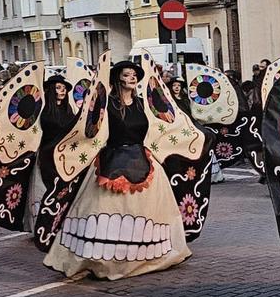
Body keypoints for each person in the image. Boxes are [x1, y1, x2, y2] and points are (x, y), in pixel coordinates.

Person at [43, 60, 195, 279]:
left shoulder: (143, 104)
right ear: (117, 78)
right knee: (103, 212)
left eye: (134, 75)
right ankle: (103, 259)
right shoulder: (107, 105)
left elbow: (162, 126)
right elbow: (88, 129)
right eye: (127, 74)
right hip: (111, 161)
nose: (132, 78)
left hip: (143, 160)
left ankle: (147, 255)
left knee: (148, 213)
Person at [25, 75, 78, 232]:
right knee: (47, 188)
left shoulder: (69, 109)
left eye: (64, 88)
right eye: (58, 88)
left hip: (64, 157)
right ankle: (43, 224)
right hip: (47, 155)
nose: (62, 91)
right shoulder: (43, 110)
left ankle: (61, 221)